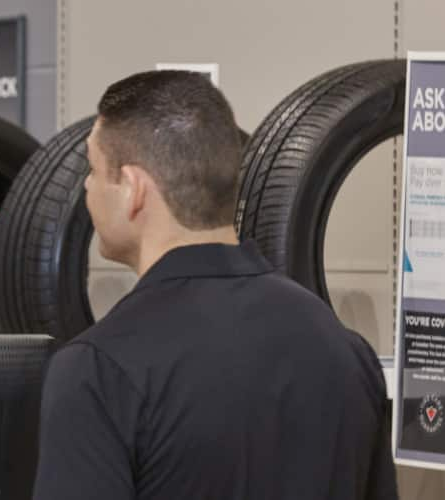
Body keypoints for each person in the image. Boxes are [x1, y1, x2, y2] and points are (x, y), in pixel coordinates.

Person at [31, 71, 397, 499]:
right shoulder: (345, 350)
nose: (87, 188)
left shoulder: (96, 370)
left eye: (92, 170)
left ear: (132, 189)